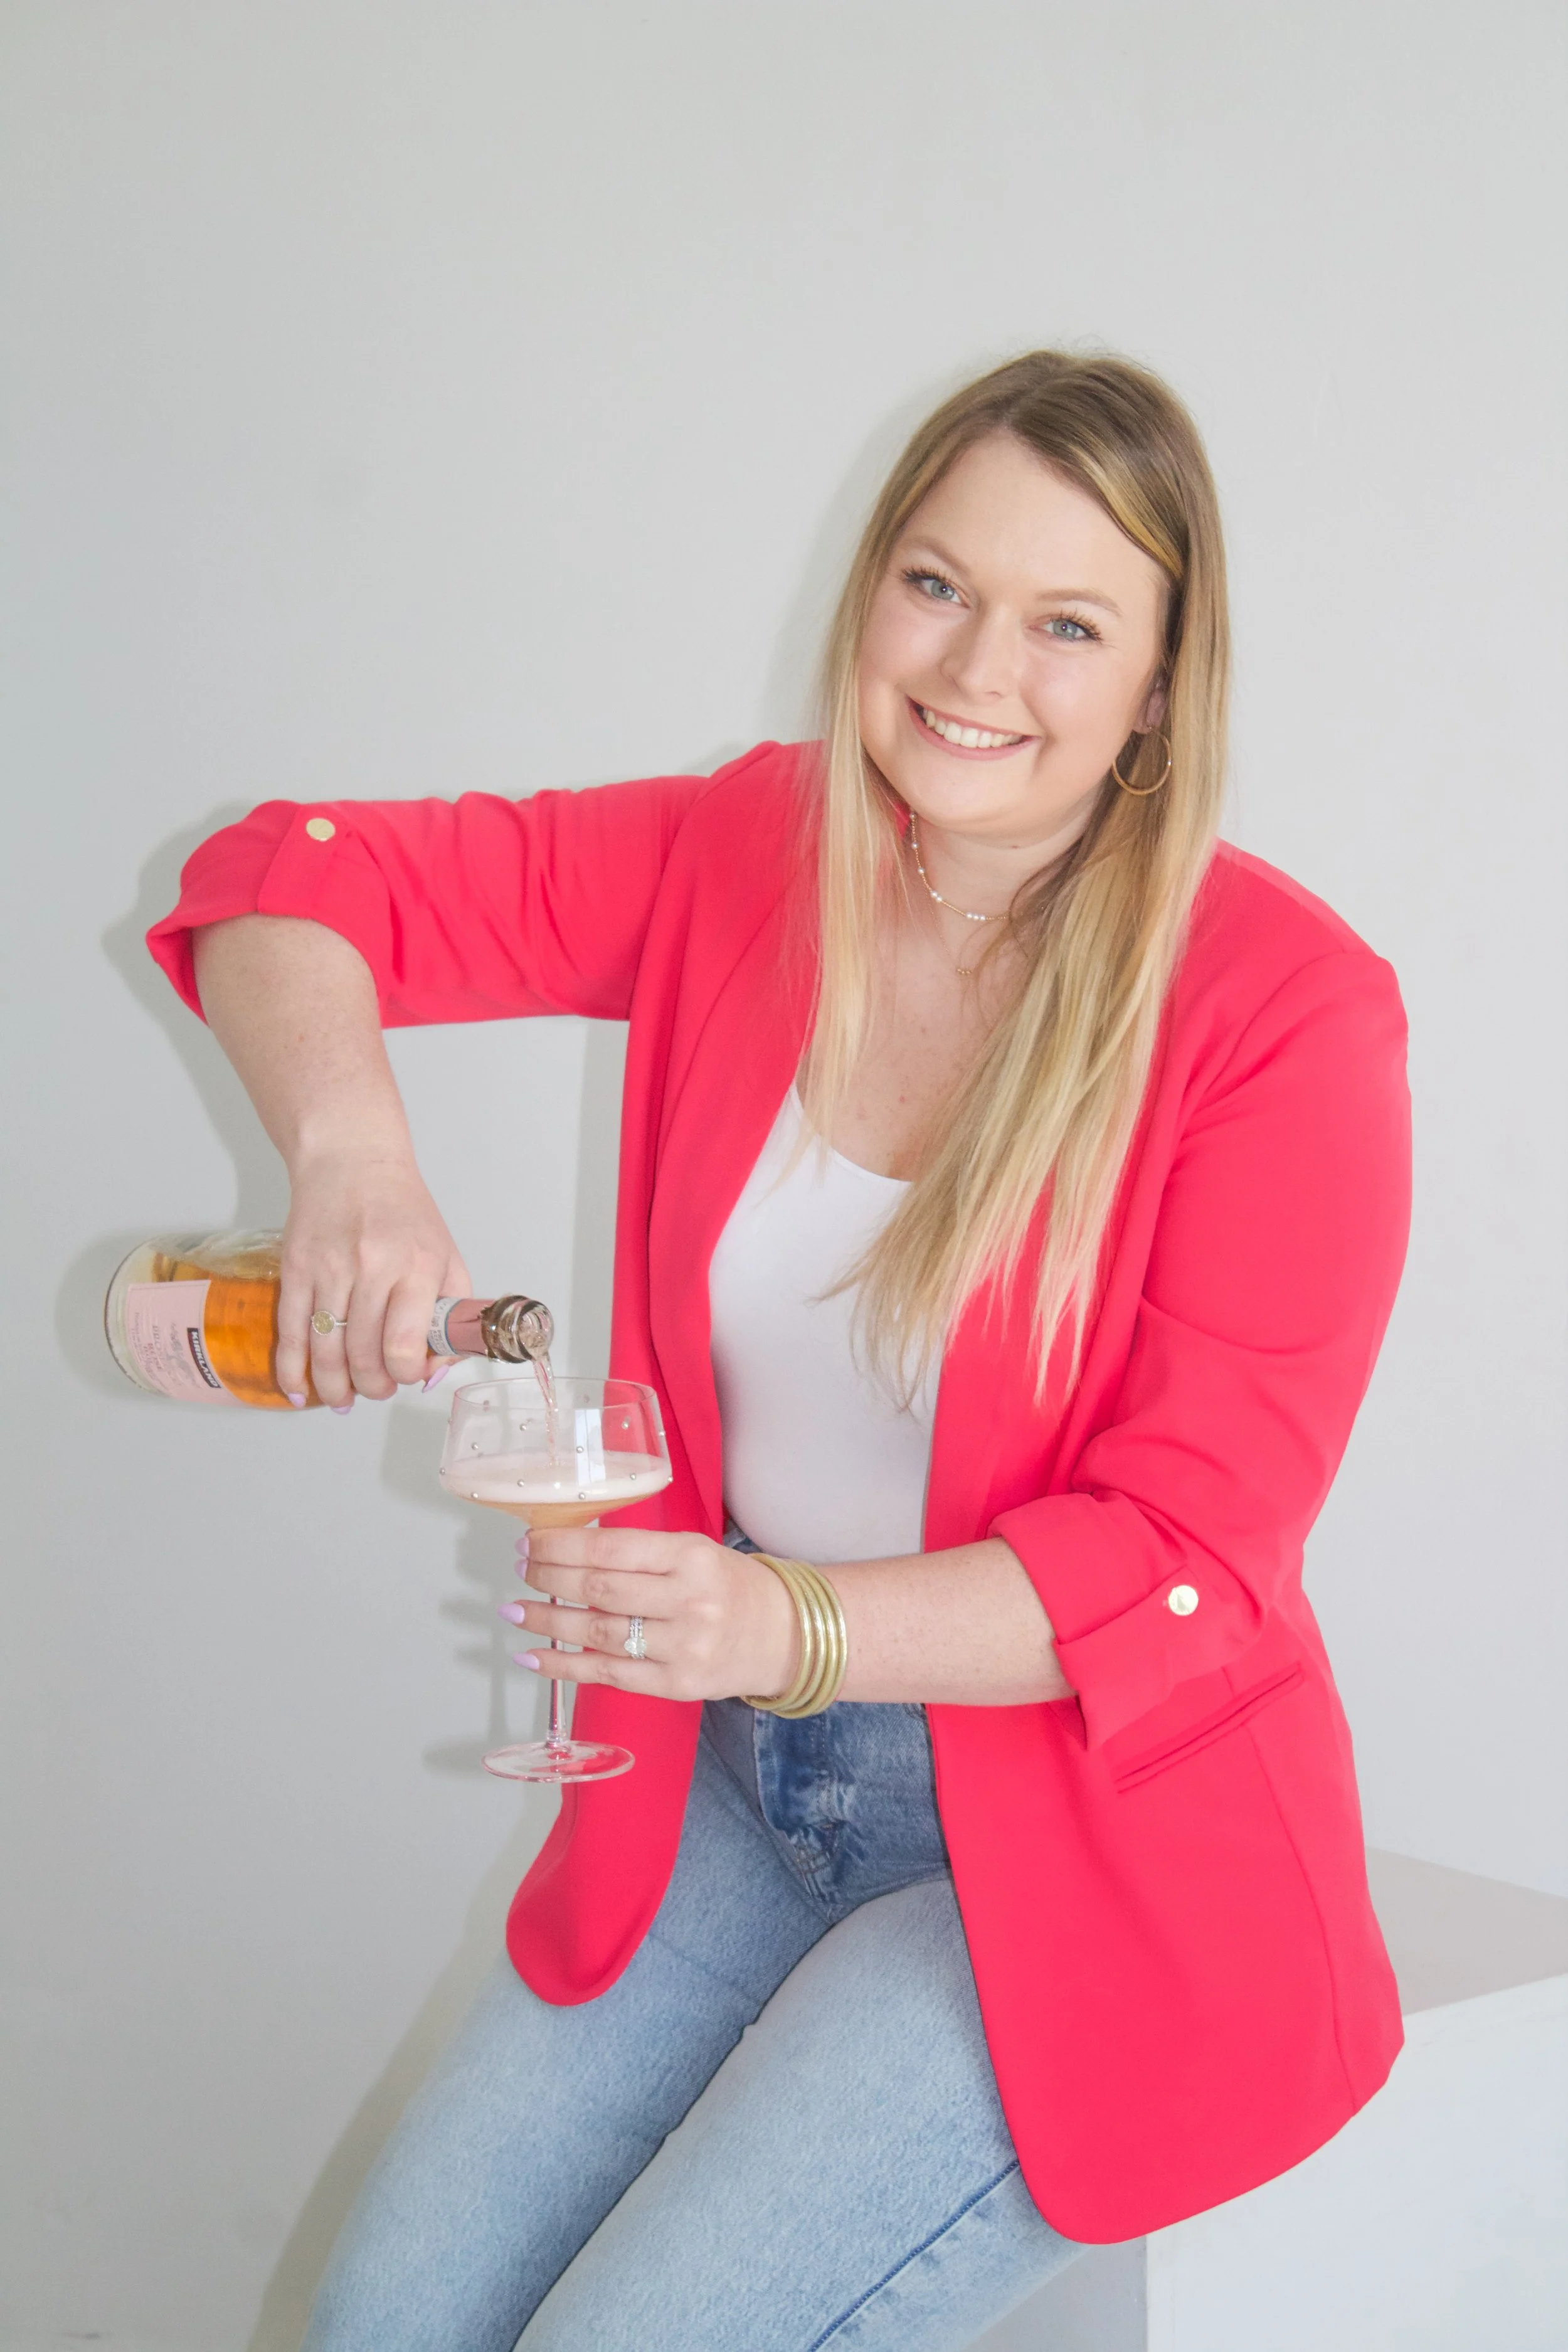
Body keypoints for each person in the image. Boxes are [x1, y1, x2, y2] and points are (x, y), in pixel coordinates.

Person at [147, 350, 1412, 2351]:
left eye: (1068, 623)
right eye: (937, 583)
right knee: (382, 2317)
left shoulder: (1283, 1011)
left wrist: (785, 1621)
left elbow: (1186, 1556)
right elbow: (284, 878)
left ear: (1163, 687)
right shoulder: (754, 848)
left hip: (1068, 1863)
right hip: (732, 1788)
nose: (974, 666)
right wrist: (351, 1157)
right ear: (868, 585)